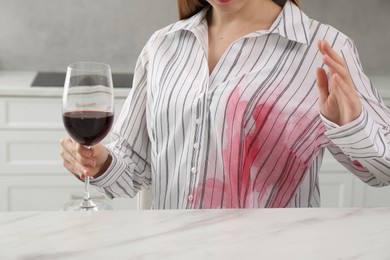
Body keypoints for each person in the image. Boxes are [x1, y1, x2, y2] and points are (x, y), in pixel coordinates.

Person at [60, 0, 390, 209]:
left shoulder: (323, 48)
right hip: (171, 247)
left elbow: (383, 172)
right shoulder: (163, 45)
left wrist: (352, 125)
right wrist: (100, 161)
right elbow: (133, 167)